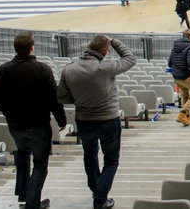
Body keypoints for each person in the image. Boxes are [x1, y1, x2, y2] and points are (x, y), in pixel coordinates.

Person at [57, 35, 137, 209]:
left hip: (84, 120)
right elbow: (130, 58)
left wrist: (80, 100)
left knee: (90, 154)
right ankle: (100, 199)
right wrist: (114, 41)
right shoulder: (104, 67)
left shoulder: (69, 68)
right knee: (111, 160)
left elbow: (62, 96)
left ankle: (96, 188)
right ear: (104, 51)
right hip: (108, 119)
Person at [0, 32, 67, 209]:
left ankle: (24, 195)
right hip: (39, 125)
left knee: (22, 155)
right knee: (40, 165)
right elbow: (53, 99)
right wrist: (61, 120)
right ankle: (32, 204)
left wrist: (9, 112)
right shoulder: (42, 69)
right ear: (32, 47)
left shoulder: (3, 69)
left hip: (16, 125)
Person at [167, 28, 190, 126]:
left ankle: (186, 117)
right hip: (186, 75)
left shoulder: (174, 47)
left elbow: (169, 63)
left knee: (185, 94)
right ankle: (184, 112)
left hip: (176, 77)